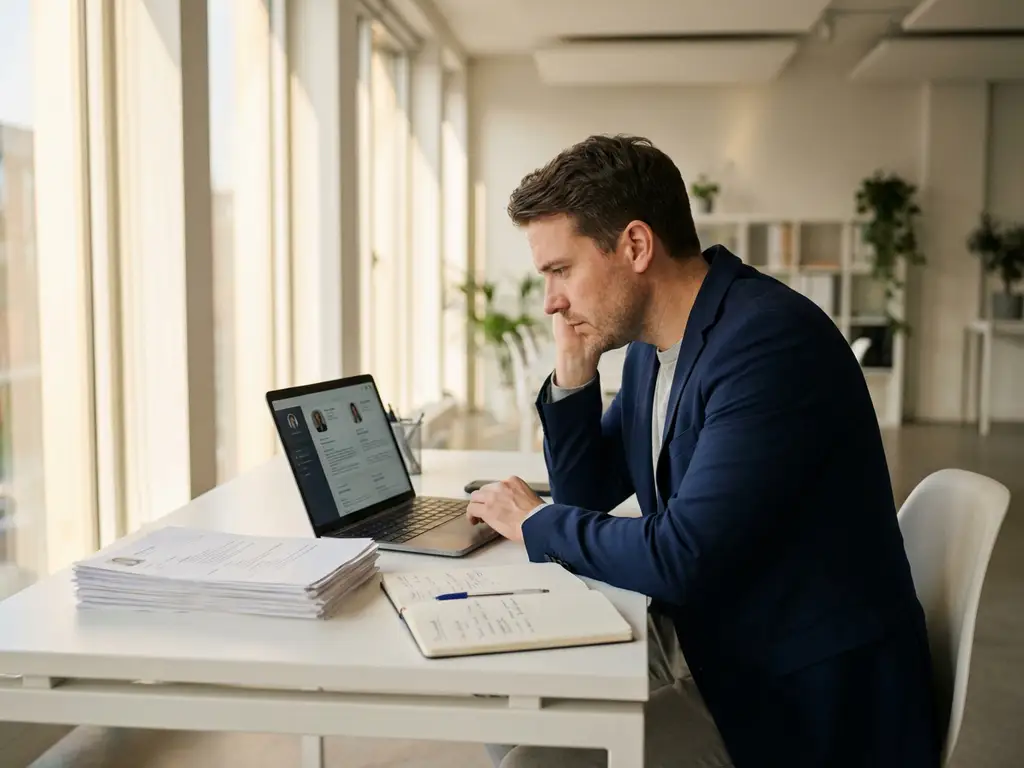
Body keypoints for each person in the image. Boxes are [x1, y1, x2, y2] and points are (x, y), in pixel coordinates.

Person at [467, 135, 939, 768]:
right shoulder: (650, 349)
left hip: (801, 708)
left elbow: (680, 555)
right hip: (725, 651)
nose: (552, 300)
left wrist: (533, 522)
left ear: (635, 246)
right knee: (509, 692)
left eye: (561, 270)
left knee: (532, 761)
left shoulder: (767, 343)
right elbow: (589, 495)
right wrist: (575, 374)